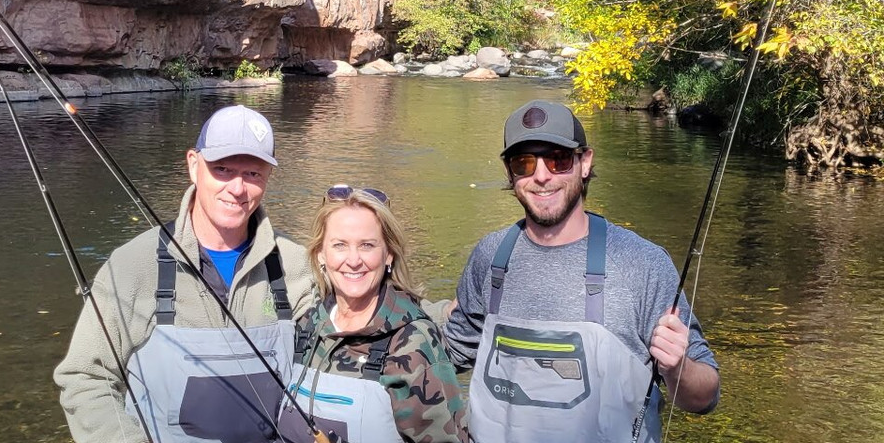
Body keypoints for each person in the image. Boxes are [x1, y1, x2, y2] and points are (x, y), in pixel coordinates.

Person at [444, 100, 720, 443]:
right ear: (510, 173)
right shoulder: (490, 256)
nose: (541, 175)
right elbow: (447, 355)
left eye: (557, 159)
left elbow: (704, 397)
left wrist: (677, 367)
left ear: (584, 162)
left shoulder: (642, 263)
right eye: (524, 163)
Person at [54, 104, 317, 443]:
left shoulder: (296, 264)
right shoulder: (133, 266)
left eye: (253, 174)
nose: (237, 188)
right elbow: (85, 378)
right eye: (222, 169)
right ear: (193, 165)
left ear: (268, 176)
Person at [278, 185, 468, 443]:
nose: (354, 260)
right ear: (321, 254)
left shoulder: (414, 341)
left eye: (367, 245)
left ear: (388, 254)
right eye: (340, 245)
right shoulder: (306, 324)